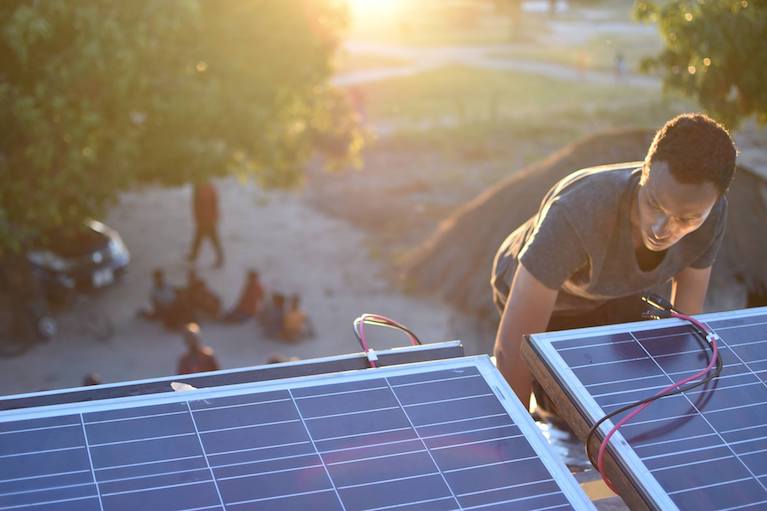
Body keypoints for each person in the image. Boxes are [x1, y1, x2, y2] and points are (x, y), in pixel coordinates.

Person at [491, 113, 737, 412]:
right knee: (564, 401)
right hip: (551, 295)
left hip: (617, 292)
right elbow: (513, 351)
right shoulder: (577, 213)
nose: (661, 229)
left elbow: (684, 326)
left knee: (626, 386)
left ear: (714, 203)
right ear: (643, 172)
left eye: (686, 219)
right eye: (654, 204)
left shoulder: (712, 216)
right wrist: (519, 444)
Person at [188, 181, 224, 268]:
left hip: (207, 218)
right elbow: (196, 205)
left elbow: (213, 203)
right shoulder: (202, 188)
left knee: (209, 238)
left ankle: (219, 257)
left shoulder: (201, 188)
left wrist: (214, 216)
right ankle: (194, 255)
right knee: (201, 237)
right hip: (204, 218)